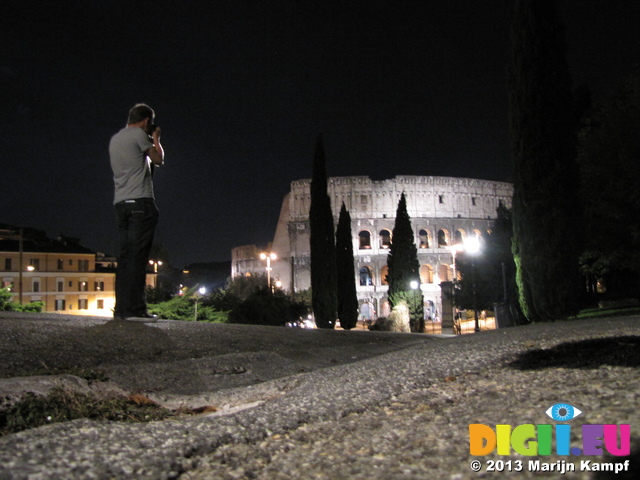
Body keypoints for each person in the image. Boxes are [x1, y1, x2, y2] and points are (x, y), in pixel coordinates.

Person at [109, 103, 164, 319]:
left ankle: (122, 309)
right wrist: (156, 139)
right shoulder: (139, 136)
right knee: (138, 259)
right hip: (140, 203)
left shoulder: (116, 139)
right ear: (146, 121)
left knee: (125, 258)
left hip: (121, 204)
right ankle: (136, 310)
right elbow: (159, 159)